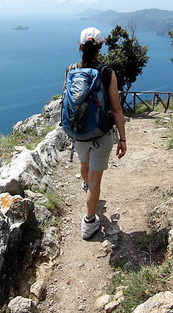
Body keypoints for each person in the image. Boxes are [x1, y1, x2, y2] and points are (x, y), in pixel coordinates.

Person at [67, 27, 127, 240]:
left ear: (80, 46)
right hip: (101, 133)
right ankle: (89, 221)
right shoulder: (107, 72)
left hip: (78, 132)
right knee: (96, 181)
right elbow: (117, 108)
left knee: (85, 167)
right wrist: (122, 138)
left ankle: (87, 187)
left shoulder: (71, 70)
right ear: (101, 46)